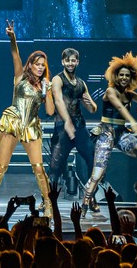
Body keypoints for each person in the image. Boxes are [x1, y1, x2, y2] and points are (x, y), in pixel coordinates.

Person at [0, 19, 55, 219]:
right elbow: (15, 55)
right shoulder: (20, 78)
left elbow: (50, 112)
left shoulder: (44, 85)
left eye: (43, 65)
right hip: (13, 122)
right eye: (37, 64)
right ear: (30, 65)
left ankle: (48, 205)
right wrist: (13, 38)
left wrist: (48, 92)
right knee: (1, 166)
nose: (40, 68)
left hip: (31, 126)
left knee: (39, 168)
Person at [81, 52, 137, 210]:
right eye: (121, 75)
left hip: (121, 134)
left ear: (131, 77)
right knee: (97, 174)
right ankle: (86, 202)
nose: (124, 78)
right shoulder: (110, 91)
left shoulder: (130, 94)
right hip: (106, 133)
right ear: (115, 76)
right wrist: (132, 121)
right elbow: (120, 107)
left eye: (127, 75)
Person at [48, 47, 98, 207]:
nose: (70, 63)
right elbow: (58, 101)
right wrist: (67, 121)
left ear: (77, 62)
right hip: (62, 128)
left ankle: (90, 197)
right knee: (55, 167)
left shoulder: (81, 83)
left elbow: (92, 108)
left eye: (73, 60)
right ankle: (48, 201)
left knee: (92, 159)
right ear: (63, 62)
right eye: (67, 60)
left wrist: (92, 104)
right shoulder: (58, 79)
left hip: (79, 126)